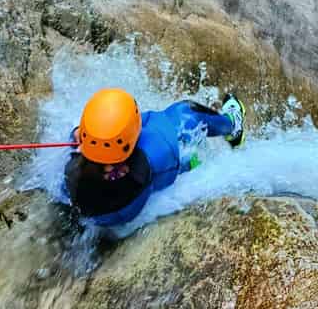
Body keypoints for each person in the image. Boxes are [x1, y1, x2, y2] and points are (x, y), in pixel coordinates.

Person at [64, 88, 245, 226]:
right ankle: (233, 126)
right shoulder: (155, 152)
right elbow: (158, 128)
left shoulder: (73, 171)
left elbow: (83, 146)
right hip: (149, 181)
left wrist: (85, 137)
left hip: (103, 214)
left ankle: (189, 163)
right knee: (186, 112)